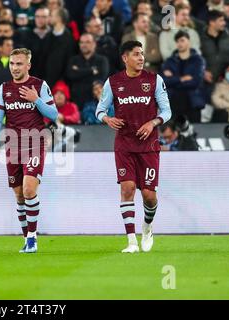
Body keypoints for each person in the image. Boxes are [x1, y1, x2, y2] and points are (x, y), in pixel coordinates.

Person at [95, 40, 171, 253]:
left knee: (149, 195)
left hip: (149, 146)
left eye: (142, 54)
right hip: (124, 145)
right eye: (136, 54)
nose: (141, 58)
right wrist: (107, 119)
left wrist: (153, 122)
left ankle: (147, 227)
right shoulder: (113, 82)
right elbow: (99, 110)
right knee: (127, 189)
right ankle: (131, 242)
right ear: (125, 58)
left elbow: (167, 111)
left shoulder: (154, 80)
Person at [0, 48, 58, 253]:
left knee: (29, 190)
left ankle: (32, 239)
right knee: (19, 195)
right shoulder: (4, 88)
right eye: (12, 64)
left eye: (19, 64)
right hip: (13, 145)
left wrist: (36, 99)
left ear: (28, 65)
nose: (15, 68)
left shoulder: (39, 85)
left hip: (35, 143)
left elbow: (53, 114)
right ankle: (26, 236)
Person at [161, 30, 205, 123]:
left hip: (192, 101)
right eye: (177, 41)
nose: (179, 43)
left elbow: (196, 82)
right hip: (174, 101)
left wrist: (174, 80)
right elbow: (164, 81)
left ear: (189, 41)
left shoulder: (198, 60)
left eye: (182, 40)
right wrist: (181, 79)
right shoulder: (170, 61)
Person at [66, 33, 109, 109]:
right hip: (77, 102)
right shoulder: (74, 60)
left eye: (87, 42)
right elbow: (71, 75)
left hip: (96, 104)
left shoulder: (102, 60)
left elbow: (101, 77)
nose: (84, 45)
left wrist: (79, 71)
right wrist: (91, 71)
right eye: (81, 42)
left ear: (94, 44)